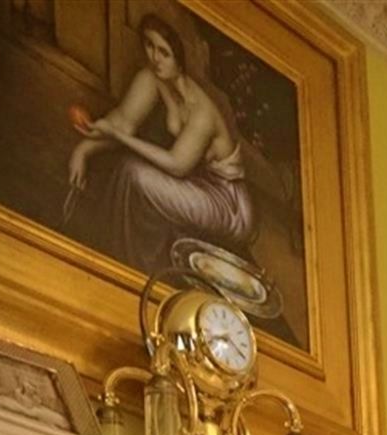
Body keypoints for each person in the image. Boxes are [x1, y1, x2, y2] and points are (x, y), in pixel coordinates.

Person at [67, 13, 255, 275]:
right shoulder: (154, 77)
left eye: (164, 52)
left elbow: (176, 165)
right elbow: (123, 121)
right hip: (195, 183)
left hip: (226, 204)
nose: (155, 57)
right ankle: (115, 255)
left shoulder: (202, 111)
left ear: (180, 57)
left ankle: (131, 266)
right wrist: (83, 150)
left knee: (134, 173)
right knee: (131, 171)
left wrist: (120, 138)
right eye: (149, 45)